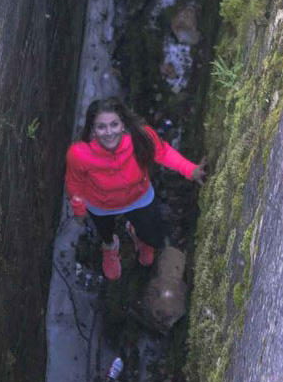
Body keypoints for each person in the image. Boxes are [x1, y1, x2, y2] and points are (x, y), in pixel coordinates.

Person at [65, 97, 206, 280]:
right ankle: (110, 246)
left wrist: (191, 170)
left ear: (123, 124)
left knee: (152, 234)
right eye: (101, 127)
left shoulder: (139, 136)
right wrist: (79, 209)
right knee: (105, 233)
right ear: (92, 130)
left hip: (139, 197)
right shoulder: (79, 154)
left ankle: (137, 233)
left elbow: (163, 153)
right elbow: (74, 184)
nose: (109, 133)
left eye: (114, 124)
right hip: (101, 205)